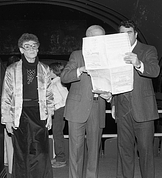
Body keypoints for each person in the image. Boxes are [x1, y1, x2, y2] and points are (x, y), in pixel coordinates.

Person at [60, 25, 110, 178]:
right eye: (96, 38)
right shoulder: (77, 55)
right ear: (87, 39)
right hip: (77, 110)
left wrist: (110, 96)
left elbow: (113, 83)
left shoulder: (109, 57)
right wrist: (80, 69)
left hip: (98, 107)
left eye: (102, 38)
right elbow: (64, 77)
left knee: (94, 151)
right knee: (75, 152)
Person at [111, 20, 160, 178]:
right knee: (124, 150)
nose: (125, 36)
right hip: (122, 108)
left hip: (143, 109)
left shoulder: (147, 50)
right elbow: (113, 80)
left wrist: (138, 63)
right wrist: (113, 104)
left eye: (129, 33)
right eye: (122, 33)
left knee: (146, 151)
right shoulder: (114, 54)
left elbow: (155, 71)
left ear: (136, 34)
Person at [1, 33, 54, 178]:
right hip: (20, 115)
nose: (31, 49)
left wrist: (50, 114)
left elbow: (49, 94)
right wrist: (7, 119)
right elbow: (6, 95)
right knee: (21, 152)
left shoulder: (45, 69)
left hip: (40, 113)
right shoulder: (12, 69)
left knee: (41, 152)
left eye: (34, 46)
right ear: (21, 50)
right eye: (27, 46)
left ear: (38, 49)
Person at [49, 62, 68, 168]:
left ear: (53, 71)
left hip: (60, 109)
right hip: (60, 109)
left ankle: (60, 159)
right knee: (58, 133)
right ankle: (59, 157)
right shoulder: (59, 82)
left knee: (57, 133)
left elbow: (64, 97)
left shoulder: (57, 83)